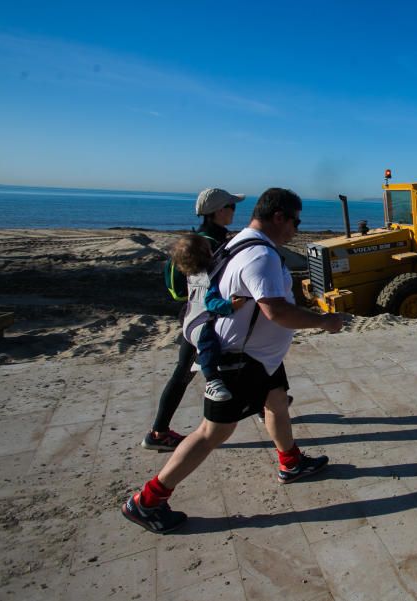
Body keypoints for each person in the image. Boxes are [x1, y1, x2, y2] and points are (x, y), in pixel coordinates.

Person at [122, 187, 344, 534]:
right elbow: (276, 311)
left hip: (260, 358)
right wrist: (323, 321)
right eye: (296, 221)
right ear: (279, 217)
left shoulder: (240, 240)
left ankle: (291, 462)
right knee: (214, 432)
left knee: (276, 403)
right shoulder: (262, 257)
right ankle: (147, 501)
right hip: (239, 360)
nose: (297, 229)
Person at [142, 188, 241, 451]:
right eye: (232, 206)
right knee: (192, 372)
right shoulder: (213, 243)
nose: (234, 210)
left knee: (184, 372)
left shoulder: (195, 239)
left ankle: (159, 431)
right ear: (219, 211)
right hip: (210, 315)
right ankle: (158, 432)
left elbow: (179, 286)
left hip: (192, 314)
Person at [169, 234, 247, 402]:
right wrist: (230, 306)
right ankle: (212, 381)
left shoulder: (193, 274)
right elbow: (211, 303)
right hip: (198, 325)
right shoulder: (206, 278)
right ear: (205, 254)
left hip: (189, 320)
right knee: (208, 345)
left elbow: (219, 258)